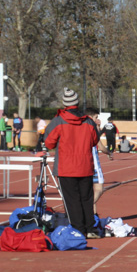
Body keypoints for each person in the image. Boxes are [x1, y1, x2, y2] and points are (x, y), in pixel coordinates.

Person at [44, 89, 100, 238]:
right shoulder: (88, 121)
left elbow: (49, 142)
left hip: (66, 167)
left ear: (64, 104)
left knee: (71, 200)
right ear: (77, 103)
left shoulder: (58, 121)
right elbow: (95, 141)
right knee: (86, 199)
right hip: (85, 166)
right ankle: (90, 228)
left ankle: (78, 229)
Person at [85, 108, 105, 212]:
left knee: (89, 191)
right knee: (99, 189)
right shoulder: (91, 127)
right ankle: (86, 206)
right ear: (91, 116)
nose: (97, 119)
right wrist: (109, 152)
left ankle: (93, 216)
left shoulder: (81, 126)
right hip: (93, 163)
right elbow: (101, 146)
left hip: (84, 162)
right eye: (96, 117)